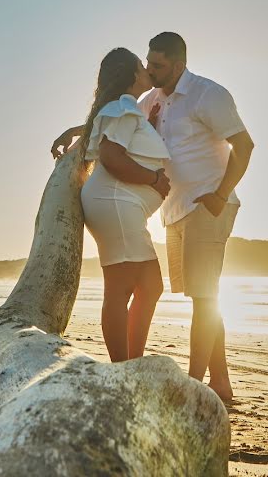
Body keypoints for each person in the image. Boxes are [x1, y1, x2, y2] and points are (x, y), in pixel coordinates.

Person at [53, 33, 254, 401]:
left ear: (178, 65)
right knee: (203, 297)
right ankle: (220, 383)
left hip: (207, 205)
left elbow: (244, 145)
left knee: (203, 297)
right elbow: (115, 122)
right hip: (176, 212)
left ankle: (194, 385)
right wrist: (77, 132)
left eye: (157, 65)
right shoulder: (151, 99)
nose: (149, 70)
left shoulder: (208, 95)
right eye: (147, 63)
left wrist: (220, 195)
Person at [52, 47, 171, 363]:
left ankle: (129, 362)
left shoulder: (125, 109)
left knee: (149, 286)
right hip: (116, 202)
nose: (147, 69)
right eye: (141, 66)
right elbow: (112, 157)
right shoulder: (123, 107)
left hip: (115, 202)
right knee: (123, 289)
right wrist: (154, 180)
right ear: (133, 75)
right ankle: (124, 365)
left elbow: (122, 145)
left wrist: (151, 124)